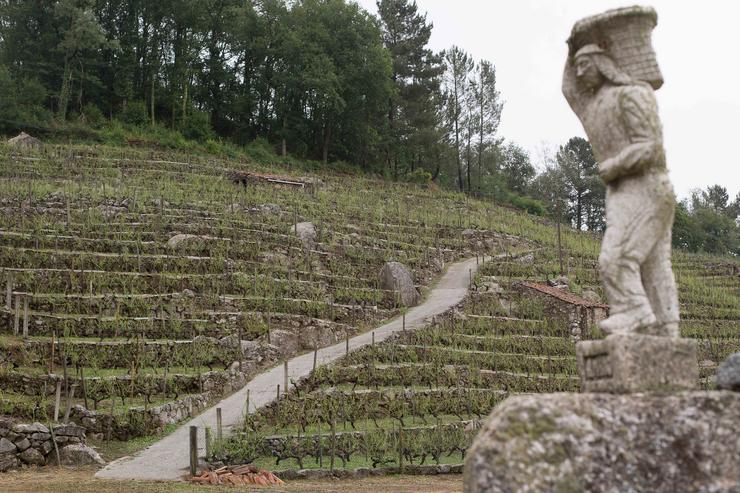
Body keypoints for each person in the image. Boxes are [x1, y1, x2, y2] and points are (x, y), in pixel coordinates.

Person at [563, 43, 679, 337]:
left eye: (585, 64)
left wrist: (616, 164)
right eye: (576, 66)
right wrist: (572, 48)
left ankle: (636, 310)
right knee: (653, 265)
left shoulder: (632, 94)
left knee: (617, 257)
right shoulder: (596, 104)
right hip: (622, 191)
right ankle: (668, 329)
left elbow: (651, 146)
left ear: (602, 63)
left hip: (648, 187)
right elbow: (570, 91)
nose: (579, 72)